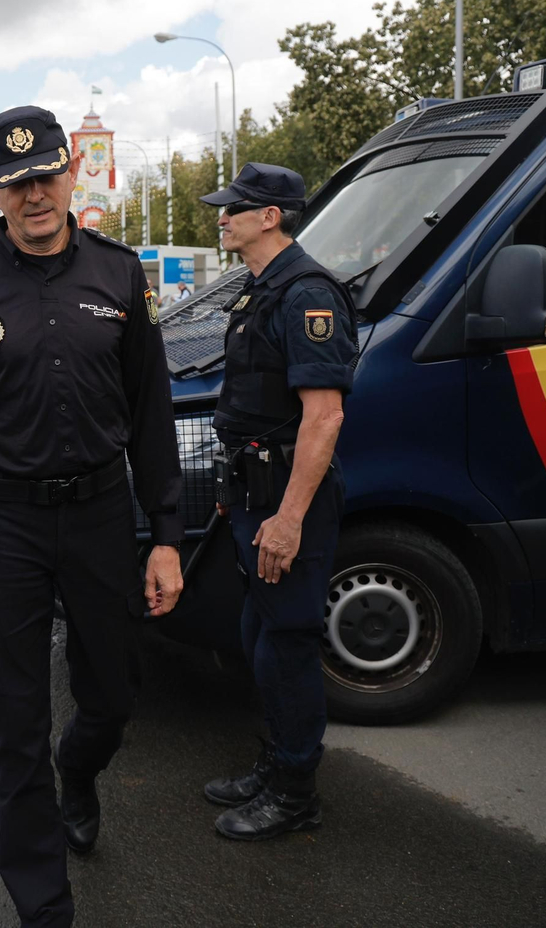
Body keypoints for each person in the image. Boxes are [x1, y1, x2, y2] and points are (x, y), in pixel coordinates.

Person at [0, 105, 185, 928]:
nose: (35, 195)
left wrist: (165, 537)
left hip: (99, 518)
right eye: (16, 183)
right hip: (8, 528)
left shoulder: (121, 278)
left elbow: (151, 414)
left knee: (116, 692)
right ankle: (42, 905)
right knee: (16, 725)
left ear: (72, 173)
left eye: (47, 175)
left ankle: (80, 770)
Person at [196, 162, 357, 842]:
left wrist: (288, 520)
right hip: (256, 492)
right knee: (259, 637)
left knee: (286, 645)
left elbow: (323, 418)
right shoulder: (262, 288)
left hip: (289, 502)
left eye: (235, 208)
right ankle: (275, 763)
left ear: (270, 217)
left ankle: (295, 794)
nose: (222, 216)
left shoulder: (305, 294)